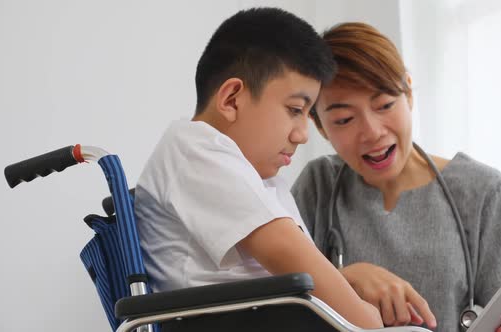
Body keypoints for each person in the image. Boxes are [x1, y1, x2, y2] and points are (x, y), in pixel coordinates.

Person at [292, 22, 501, 332]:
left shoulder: (485, 192)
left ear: (409, 94)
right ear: (320, 126)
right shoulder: (318, 186)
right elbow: (276, 302)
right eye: (344, 119)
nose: (372, 132)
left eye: (385, 105)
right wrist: (344, 279)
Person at [134, 8, 385, 329]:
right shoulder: (193, 147)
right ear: (232, 99)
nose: (302, 134)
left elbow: (306, 271)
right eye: (295, 110)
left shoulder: (262, 179)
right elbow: (284, 249)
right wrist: (366, 321)